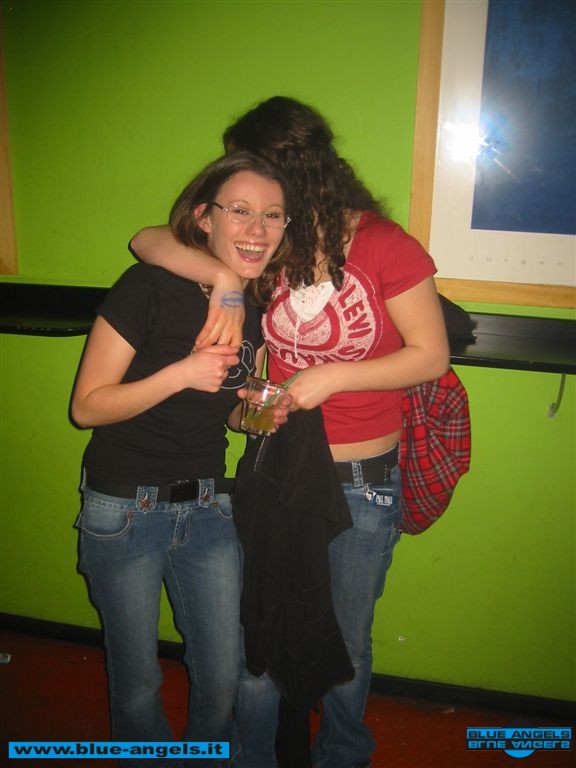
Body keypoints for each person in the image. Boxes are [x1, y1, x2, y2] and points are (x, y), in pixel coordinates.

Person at [131, 96, 450, 768]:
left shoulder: (382, 243)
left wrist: (332, 377)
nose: (247, 192)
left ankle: (342, 754)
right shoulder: (270, 243)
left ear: (292, 166)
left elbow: (430, 356)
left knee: (344, 644)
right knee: (263, 633)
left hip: (360, 484)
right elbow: (148, 239)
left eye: (252, 165)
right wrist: (223, 280)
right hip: (276, 470)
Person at [71, 151, 293, 767]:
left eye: (273, 215)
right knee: (138, 681)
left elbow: (221, 410)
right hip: (124, 508)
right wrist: (182, 374)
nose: (258, 229)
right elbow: (87, 407)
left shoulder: (252, 309)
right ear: (204, 218)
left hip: (208, 508)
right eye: (240, 211)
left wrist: (253, 413)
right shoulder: (147, 286)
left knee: (221, 678)